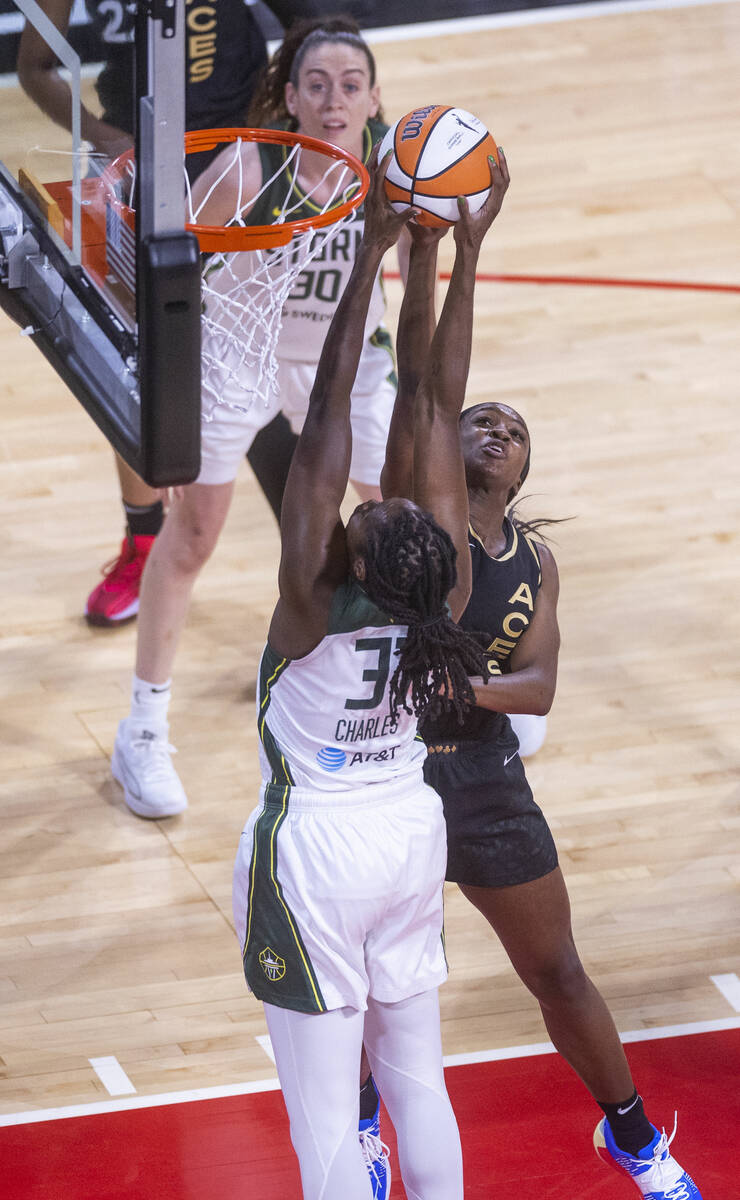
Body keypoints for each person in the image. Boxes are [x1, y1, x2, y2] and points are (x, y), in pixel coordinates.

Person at [231, 147, 510, 1200]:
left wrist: (371, 253)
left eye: (371, 511)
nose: (369, 496)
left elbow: (331, 411)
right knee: (417, 1087)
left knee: (322, 1130)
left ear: (353, 553)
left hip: (319, 850)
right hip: (405, 833)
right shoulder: (439, 596)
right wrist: (450, 255)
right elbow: (431, 414)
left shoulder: (310, 600)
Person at [360, 373, 703, 1194]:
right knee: (373, 979)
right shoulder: (420, 523)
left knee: (558, 971)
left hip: (483, 775)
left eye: (513, 429)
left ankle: (635, 1138)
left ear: (522, 473)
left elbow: (539, 687)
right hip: (390, 767)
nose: (496, 430)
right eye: (480, 420)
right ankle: (363, 1123)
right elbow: (426, 399)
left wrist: (458, 686)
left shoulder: (537, 562)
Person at [110, 19, 408, 819]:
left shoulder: (390, 175)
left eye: (351, 84)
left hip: (346, 366)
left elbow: (414, 278)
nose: (335, 98)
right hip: (242, 356)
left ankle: (431, 690)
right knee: (197, 533)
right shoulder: (249, 168)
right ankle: (142, 728)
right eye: (317, 83)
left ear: (374, 97)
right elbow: (177, 275)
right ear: (290, 95)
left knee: (394, 521)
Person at [16, 0, 320, 625]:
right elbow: (33, 68)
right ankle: (144, 540)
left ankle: (313, 567)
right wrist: (107, 139)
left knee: (259, 370)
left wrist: (289, 116)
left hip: (242, 158)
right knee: (140, 362)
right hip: (139, 166)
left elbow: (313, 28)